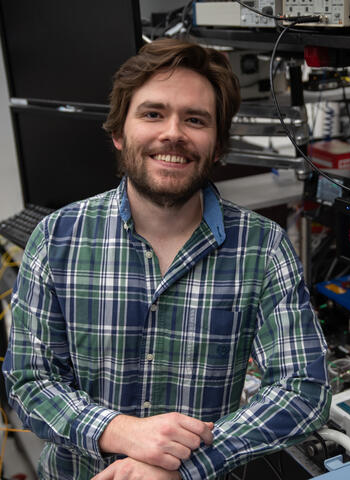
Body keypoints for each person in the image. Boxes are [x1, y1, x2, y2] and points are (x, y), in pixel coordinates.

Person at [3, 38, 331, 480]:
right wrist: (119, 431)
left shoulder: (263, 248)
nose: (173, 133)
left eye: (195, 119)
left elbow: (304, 390)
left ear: (217, 146)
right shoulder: (58, 238)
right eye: (153, 113)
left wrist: (188, 466)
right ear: (120, 132)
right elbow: (28, 382)